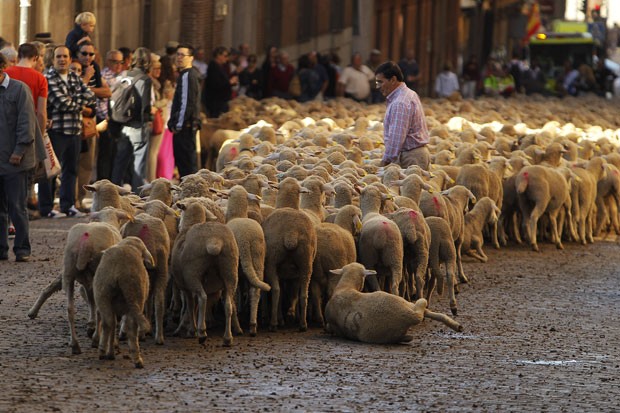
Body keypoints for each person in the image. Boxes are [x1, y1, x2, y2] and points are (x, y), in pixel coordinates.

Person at [40, 45, 95, 218]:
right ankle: (46, 208)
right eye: (59, 57)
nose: (62, 59)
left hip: (75, 130)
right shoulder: (49, 78)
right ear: (53, 59)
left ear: (70, 59)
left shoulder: (74, 76)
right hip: (57, 130)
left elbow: (91, 96)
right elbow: (62, 103)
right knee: (51, 170)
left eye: (65, 56)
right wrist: (79, 103)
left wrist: (75, 100)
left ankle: (68, 205)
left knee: (71, 170)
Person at [0, 54, 38, 262]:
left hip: (15, 159)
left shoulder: (19, 89)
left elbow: (26, 123)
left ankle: (22, 249)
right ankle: (1, 249)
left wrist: (19, 151)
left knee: (17, 207)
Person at [110, 47, 152, 191]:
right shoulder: (145, 79)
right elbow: (145, 106)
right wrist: (147, 120)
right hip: (137, 125)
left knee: (119, 161)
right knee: (138, 164)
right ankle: (137, 195)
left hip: (123, 124)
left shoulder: (124, 75)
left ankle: (112, 193)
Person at [374, 61, 430, 170]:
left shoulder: (400, 103)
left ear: (393, 80)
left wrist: (385, 162)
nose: (377, 87)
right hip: (414, 155)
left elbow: (396, 138)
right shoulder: (409, 94)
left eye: (380, 82)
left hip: (410, 158)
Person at [76, 41, 111, 209]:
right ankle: (69, 200)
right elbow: (73, 92)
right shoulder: (74, 67)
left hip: (90, 121)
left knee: (87, 162)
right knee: (71, 163)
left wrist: (89, 89)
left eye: (91, 54)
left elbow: (106, 92)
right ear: (77, 54)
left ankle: (80, 198)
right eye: (84, 54)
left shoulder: (95, 68)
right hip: (73, 120)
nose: (88, 57)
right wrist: (86, 79)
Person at [168, 43, 201, 177]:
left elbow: (186, 103)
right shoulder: (185, 74)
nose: (179, 58)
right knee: (185, 166)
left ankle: (191, 196)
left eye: (183, 55)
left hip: (185, 128)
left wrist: (178, 125)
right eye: (178, 54)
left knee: (187, 168)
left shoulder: (188, 75)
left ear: (191, 58)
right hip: (186, 127)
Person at [96, 49, 124, 180]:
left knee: (115, 153)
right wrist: (106, 118)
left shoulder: (122, 76)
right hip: (107, 119)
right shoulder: (103, 77)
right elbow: (101, 100)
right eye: (115, 62)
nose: (118, 65)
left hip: (118, 120)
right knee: (105, 154)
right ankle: (103, 181)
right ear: (108, 62)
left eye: (121, 62)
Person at [202, 46, 237, 118]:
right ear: (218, 55)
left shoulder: (219, 66)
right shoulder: (213, 67)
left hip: (221, 101)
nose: (227, 58)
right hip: (216, 103)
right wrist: (230, 82)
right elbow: (216, 84)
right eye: (225, 56)